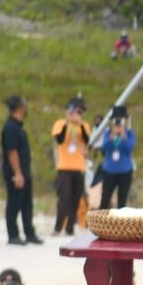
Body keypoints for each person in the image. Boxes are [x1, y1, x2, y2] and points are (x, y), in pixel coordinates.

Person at [1, 96, 39, 246]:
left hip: (25, 171)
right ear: (19, 107)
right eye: (24, 104)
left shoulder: (19, 126)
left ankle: (29, 233)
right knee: (14, 203)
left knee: (27, 204)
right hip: (16, 173)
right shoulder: (10, 127)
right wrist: (17, 173)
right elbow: (12, 152)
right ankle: (13, 235)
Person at [51, 97, 91, 238]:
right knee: (64, 197)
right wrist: (68, 122)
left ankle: (69, 227)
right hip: (64, 166)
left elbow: (87, 140)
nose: (78, 114)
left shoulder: (84, 125)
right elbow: (60, 139)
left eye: (81, 112)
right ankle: (58, 227)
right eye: (77, 111)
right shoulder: (60, 124)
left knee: (76, 197)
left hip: (79, 166)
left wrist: (79, 124)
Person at [98, 107, 136, 208]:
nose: (118, 123)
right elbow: (105, 147)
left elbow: (129, 148)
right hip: (109, 170)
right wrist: (112, 135)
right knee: (105, 198)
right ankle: (102, 222)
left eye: (121, 120)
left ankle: (119, 223)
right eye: (116, 120)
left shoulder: (130, 134)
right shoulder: (108, 133)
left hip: (125, 171)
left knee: (122, 201)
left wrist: (124, 136)